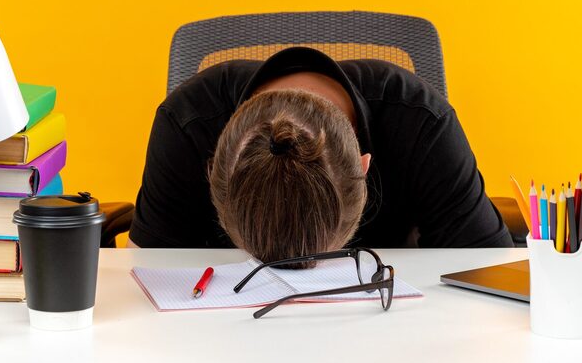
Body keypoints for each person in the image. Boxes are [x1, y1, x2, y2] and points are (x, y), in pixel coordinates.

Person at [130, 47, 513, 263]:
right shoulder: (185, 123)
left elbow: (489, 269)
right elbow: (144, 276)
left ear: (364, 169)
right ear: (215, 172)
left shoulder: (424, 124)